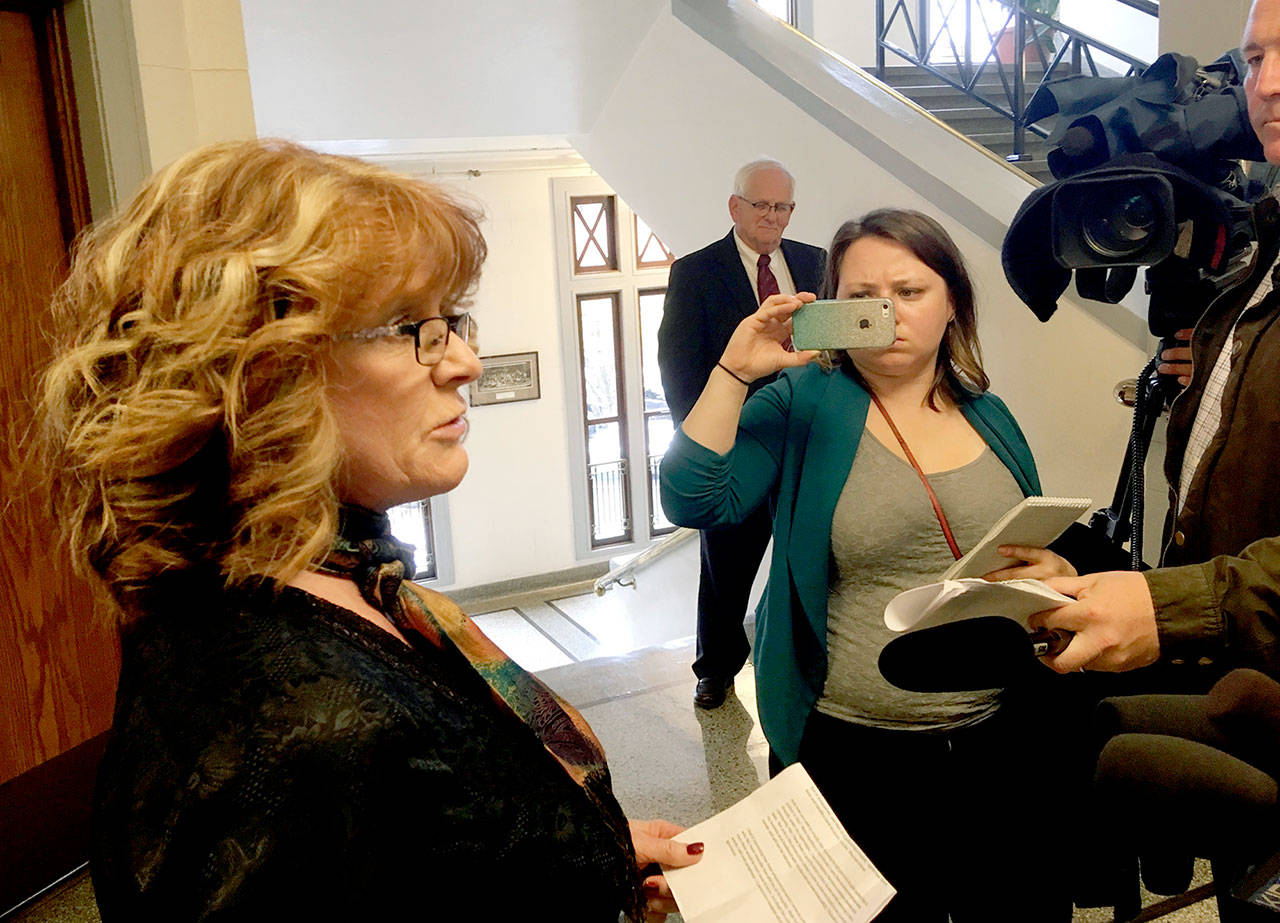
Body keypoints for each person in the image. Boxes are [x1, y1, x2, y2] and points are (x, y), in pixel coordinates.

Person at [39, 139, 698, 922]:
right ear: (259, 368)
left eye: (451, 320)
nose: (463, 364)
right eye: (404, 326)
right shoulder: (285, 722)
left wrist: (592, 862)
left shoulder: (322, 573)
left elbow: (424, 847)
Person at [660, 208, 1074, 922]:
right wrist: (734, 370)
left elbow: (1022, 547)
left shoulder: (990, 412)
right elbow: (694, 496)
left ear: (953, 304)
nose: (886, 314)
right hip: (856, 749)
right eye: (862, 298)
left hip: (995, 739)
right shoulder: (802, 403)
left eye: (909, 291)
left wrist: (1052, 571)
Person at [1031, 0, 1280, 679]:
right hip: (1220, 673)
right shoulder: (1263, 255)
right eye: (1255, 59)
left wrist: (1167, 609)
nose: (1267, 84)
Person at [656, 159, 825, 709]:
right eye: (762, 205)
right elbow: (679, 367)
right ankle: (716, 668)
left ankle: (808, 660)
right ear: (735, 207)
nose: (773, 217)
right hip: (740, 449)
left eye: (783, 207)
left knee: (811, 560)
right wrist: (709, 443)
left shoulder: (816, 263)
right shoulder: (696, 272)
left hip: (807, 442)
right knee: (725, 569)